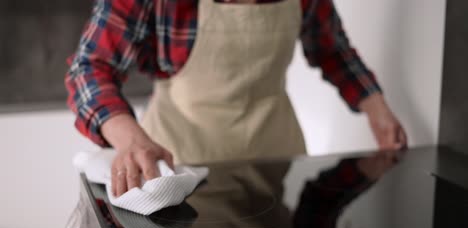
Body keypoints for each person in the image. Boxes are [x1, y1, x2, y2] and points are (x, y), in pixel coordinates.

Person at [66, 0, 407, 197]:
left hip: (275, 163)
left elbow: (333, 49)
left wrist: (376, 108)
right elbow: (90, 67)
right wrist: (133, 142)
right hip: (180, 165)